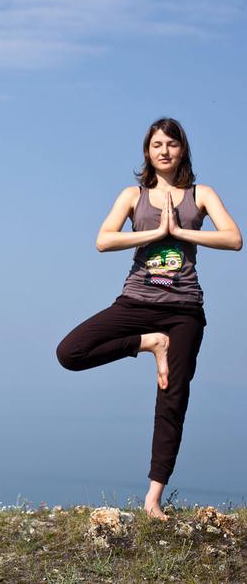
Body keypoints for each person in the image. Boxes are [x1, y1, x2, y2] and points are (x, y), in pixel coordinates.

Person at [56, 117, 243, 521]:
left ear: (182, 151)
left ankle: (153, 499)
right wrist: (155, 233)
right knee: (70, 352)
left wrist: (182, 231)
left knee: (172, 399)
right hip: (136, 302)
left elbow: (234, 239)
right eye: (157, 144)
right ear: (147, 151)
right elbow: (104, 240)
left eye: (171, 144)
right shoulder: (132, 195)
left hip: (184, 310)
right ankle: (149, 342)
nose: (164, 151)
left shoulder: (201, 194)